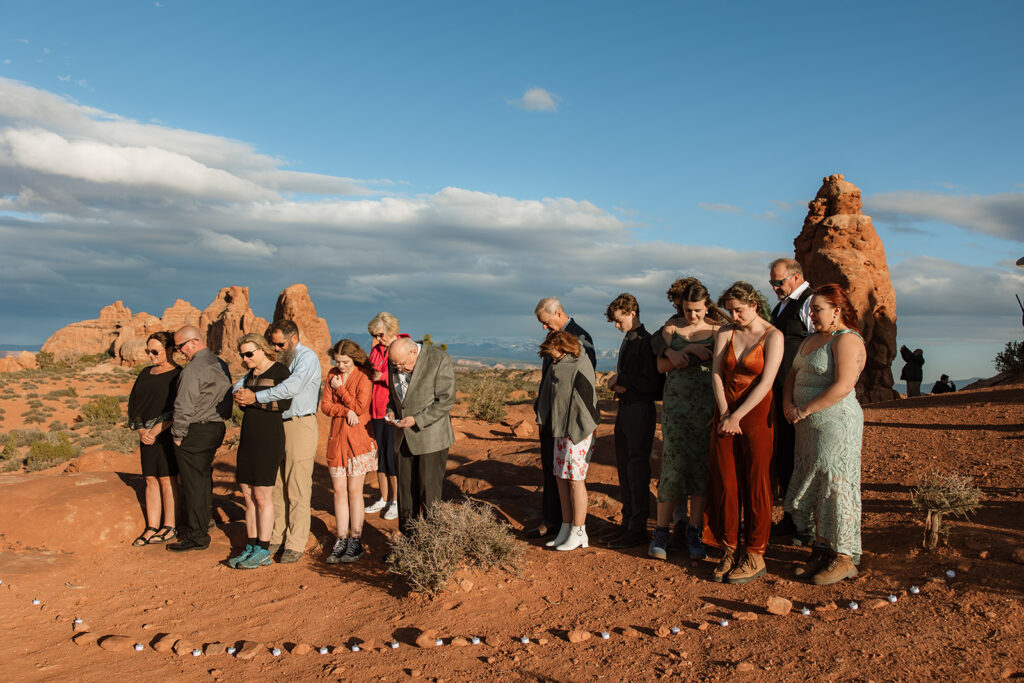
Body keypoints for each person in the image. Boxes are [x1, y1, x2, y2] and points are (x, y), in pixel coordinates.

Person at [783, 284, 866, 585]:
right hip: (806, 426)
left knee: (835, 482)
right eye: (811, 309)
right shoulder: (811, 339)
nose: (811, 314)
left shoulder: (847, 340)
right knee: (817, 481)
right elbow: (792, 374)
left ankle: (844, 556)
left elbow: (843, 385)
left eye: (817, 309)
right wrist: (788, 405)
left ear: (837, 310)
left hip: (835, 424)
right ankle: (822, 548)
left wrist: (804, 410)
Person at [704, 282, 783, 583]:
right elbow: (715, 372)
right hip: (725, 410)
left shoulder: (773, 335)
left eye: (739, 310)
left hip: (756, 412)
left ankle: (755, 552)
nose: (734, 316)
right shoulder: (726, 332)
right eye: (729, 311)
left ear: (754, 304)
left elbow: (766, 382)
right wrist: (725, 412)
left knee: (757, 480)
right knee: (725, 479)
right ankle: (728, 546)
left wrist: (738, 415)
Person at [233, 320, 322, 564]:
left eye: (280, 343)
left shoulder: (307, 358)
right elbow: (244, 380)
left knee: (296, 484)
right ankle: (274, 536)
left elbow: (290, 388)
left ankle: (295, 542)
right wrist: (239, 393)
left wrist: (254, 397)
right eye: (272, 343)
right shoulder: (276, 361)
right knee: (274, 484)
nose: (276, 347)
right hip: (272, 425)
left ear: (294, 339)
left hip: (298, 424)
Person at [649, 278, 725, 560]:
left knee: (700, 470)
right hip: (676, 409)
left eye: (697, 310)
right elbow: (660, 366)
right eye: (687, 310)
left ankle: (694, 531)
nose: (692, 316)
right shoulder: (671, 328)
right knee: (671, 468)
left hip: (706, 408)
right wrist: (686, 351)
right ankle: (660, 532)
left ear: (707, 306)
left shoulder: (719, 330)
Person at [529, 297, 596, 540]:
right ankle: (555, 520)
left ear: (558, 313)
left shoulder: (579, 337)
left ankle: (567, 524)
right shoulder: (553, 338)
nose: (544, 328)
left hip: (570, 419)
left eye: (546, 322)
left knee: (569, 474)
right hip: (551, 414)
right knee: (552, 468)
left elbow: (582, 379)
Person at [603, 293, 662, 551]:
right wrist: (619, 382)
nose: (617, 326)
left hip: (640, 410)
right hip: (626, 410)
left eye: (619, 321)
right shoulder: (629, 339)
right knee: (625, 470)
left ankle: (637, 529)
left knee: (637, 470)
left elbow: (655, 385)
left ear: (632, 312)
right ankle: (628, 525)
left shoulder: (646, 342)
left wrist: (621, 380)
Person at [227, 334, 291, 569]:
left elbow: (284, 404)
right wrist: (241, 400)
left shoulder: (279, 372)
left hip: (269, 439)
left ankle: (263, 550)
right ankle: (251, 546)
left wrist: (253, 400)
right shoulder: (249, 376)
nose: (245, 359)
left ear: (263, 349)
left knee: (263, 496)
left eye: (249, 354)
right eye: (242, 355)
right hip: (248, 438)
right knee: (247, 494)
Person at [169, 325, 232, 552]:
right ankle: (205, 522)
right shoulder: (219, 363)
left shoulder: (193, 369)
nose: (179, 351)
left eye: (180, 346)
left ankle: (198, 537)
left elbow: (183, 404)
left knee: (193, 483)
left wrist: (178, 434)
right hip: (216, 428)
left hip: (195, 431)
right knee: (203, 478)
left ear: (193, 341)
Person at [387, 336, 456, 537]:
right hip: (403, 437)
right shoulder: (397, 360)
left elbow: (445, 400)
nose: (399, 369)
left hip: (431, 438)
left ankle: (430, 545)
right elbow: (395, 397)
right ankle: (408, 544)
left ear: (413, 352)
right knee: (405, 492)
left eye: (402, 364)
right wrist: (391, 411)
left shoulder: (439, 359)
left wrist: (417, 420)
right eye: (395, 365)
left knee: (429, 494)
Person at [768, 258, 816, 542]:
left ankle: (807, 525)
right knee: (785, 455)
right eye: (772, 282)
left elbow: (819, 342)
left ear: (796, 277)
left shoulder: (810, 303)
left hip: (802, 394)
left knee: (803, 457)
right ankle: (791, 517)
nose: (774, 287)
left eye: (779, 281)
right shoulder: (781, 306)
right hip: (780, 392)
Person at [321, 339, 377, 564]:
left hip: (358, 442)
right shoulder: (331, 374)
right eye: (338, 361)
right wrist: (345, 411)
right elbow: (325, 406)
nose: (340, 366)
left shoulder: (363, 376)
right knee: (339, 491)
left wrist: (340, 389)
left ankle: (355, 539)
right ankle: (341, 538)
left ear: (354, 358)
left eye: (345, 362)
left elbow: (361, 407)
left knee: (355, 491)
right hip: (337, 440)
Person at [126, 331, 181, 546]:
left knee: (167, 479)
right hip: (146, 435)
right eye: (148, 351)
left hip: (167, 434)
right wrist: (141, 430)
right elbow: (135, 404)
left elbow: (178, 407)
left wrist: (158, 429)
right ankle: (151, 526)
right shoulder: (145, 373)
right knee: (150, 479)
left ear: (169, 350)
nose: (150, 355)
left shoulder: (179, 374)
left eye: (155, 351)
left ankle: (169, 525)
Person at [365, 312, 411, 520]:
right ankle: (383, 498)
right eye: (375, 335)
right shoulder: (376, 350)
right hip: (375, 409)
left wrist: (381, 376)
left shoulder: (403, 346)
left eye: (381, 334)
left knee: (393, 457)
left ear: (391, 330)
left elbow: (405, 375)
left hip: (391, 409)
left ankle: (396, 500)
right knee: (381, 456)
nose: (378, 338)